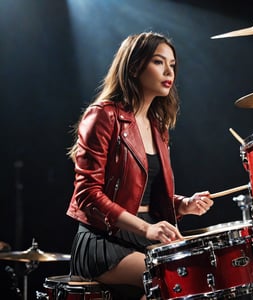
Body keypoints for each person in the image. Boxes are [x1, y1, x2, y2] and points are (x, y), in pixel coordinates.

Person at [66, 31, 214, 300]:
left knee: (204, 274)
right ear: (134, 67)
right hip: (104, 240)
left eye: (173, 64)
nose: (169, 71)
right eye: (159, 62)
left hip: (147, 234)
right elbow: (86, 194)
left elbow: (144, 191)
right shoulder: (102, 115)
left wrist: (182, 204)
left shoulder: (158, 127)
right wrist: (146, 228)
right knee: (173, 280)